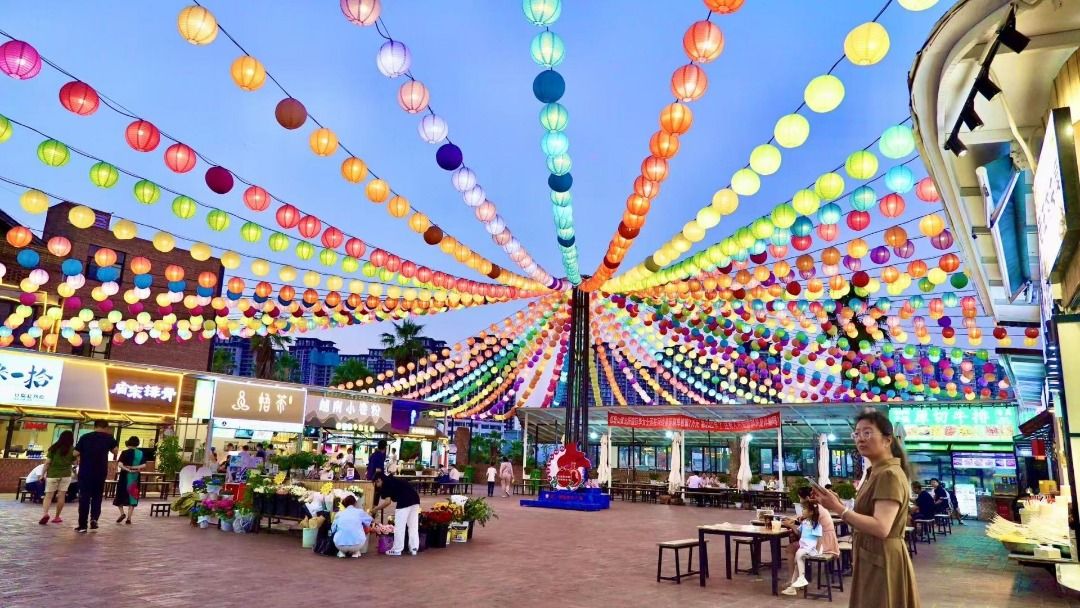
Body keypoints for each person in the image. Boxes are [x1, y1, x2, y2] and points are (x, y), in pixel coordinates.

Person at [814, 409, 919, 607]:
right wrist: (839, 504)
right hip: (873, 555)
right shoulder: (876, 472)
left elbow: (881, 527)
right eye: (857, 433)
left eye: (867, 432)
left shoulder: (888, 474)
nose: (860, 438)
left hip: (882, 558)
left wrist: (839, 509)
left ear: (887, 440)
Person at [782, 486, 839, 595]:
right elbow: (803, 522)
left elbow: (815, 535)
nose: (800, 501)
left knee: (792, 549)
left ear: (807, 498)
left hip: (823, 542)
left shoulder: (815, 511)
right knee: (798, 553)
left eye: (800, 498)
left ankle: (794, 580)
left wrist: (793, 524)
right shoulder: (815, 508)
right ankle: (796, 582)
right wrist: (796, 522)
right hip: (820, 539)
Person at [74, 420, 119, 533]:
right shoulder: (109, 438)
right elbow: (115, 451)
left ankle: (82, 525)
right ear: (106, 427)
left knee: (84, 498)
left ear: (94, 427)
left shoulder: (85, 437)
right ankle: (94, 518)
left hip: (85, 471)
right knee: (97, 497)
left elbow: (75, 453)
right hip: (100, 472)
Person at [370, 472, 420, 556]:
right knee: (413, 526)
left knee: (400, 527)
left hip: (404, 502)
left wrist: (376, 509)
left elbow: (387, 502)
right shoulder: (392, 479)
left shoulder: (386, 483)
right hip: (415, 499)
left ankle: (397, 550)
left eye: (376, 483)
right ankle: (414, 548)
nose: (377, 486)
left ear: (379, 480)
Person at [40, 430, 76, 525]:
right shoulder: (72, 449)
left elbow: (47, 462)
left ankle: (45, 514)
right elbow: (75, 462)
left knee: (48, 496)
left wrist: (42, 474)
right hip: (66, 475)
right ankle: (57, 517)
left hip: (53, 475)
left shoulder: (54, 448)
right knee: (61, 496)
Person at [113, 437, 147, 525]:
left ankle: (122, 513)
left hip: (124, 477)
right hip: (135, 478)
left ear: (128, 443)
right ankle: (129, 518)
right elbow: (144, 465)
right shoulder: (140, 453)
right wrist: (134, 468)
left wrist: (128, 469)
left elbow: (120, 464)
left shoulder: (124, 452)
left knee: (120, 495)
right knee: (133, 496)